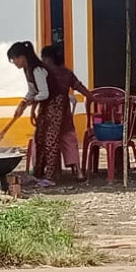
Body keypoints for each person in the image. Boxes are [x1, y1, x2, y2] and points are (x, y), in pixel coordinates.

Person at [8, 41, 69, 187]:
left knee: (50, 140)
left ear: (22, 57)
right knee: (40, 138)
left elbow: (44, 93)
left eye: (14, 59)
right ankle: (38, 174)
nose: (14, 63)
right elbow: (32, 91)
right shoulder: (27, 69)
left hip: (56, 103)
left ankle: (50, 177)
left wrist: (30, 103)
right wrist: (23, 103)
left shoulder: (38, 70)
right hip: (45, 104)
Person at [41, 45, 91, 181]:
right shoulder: (66, 73)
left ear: (48, 59)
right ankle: (79, 172)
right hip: (65, 115)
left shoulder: (45, 75)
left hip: (50, 117)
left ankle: (53, 173)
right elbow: (79, 86)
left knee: (47, 143)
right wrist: (91, 97)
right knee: (70, 142)